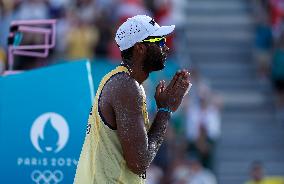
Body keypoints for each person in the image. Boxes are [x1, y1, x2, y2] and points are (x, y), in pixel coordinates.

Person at [74, 15, 191, 184]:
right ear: (140, 48)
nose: (165, 48)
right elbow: (139, 163)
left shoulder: (120, 81)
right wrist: (165, 111)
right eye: (159, 41)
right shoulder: (126, 86)